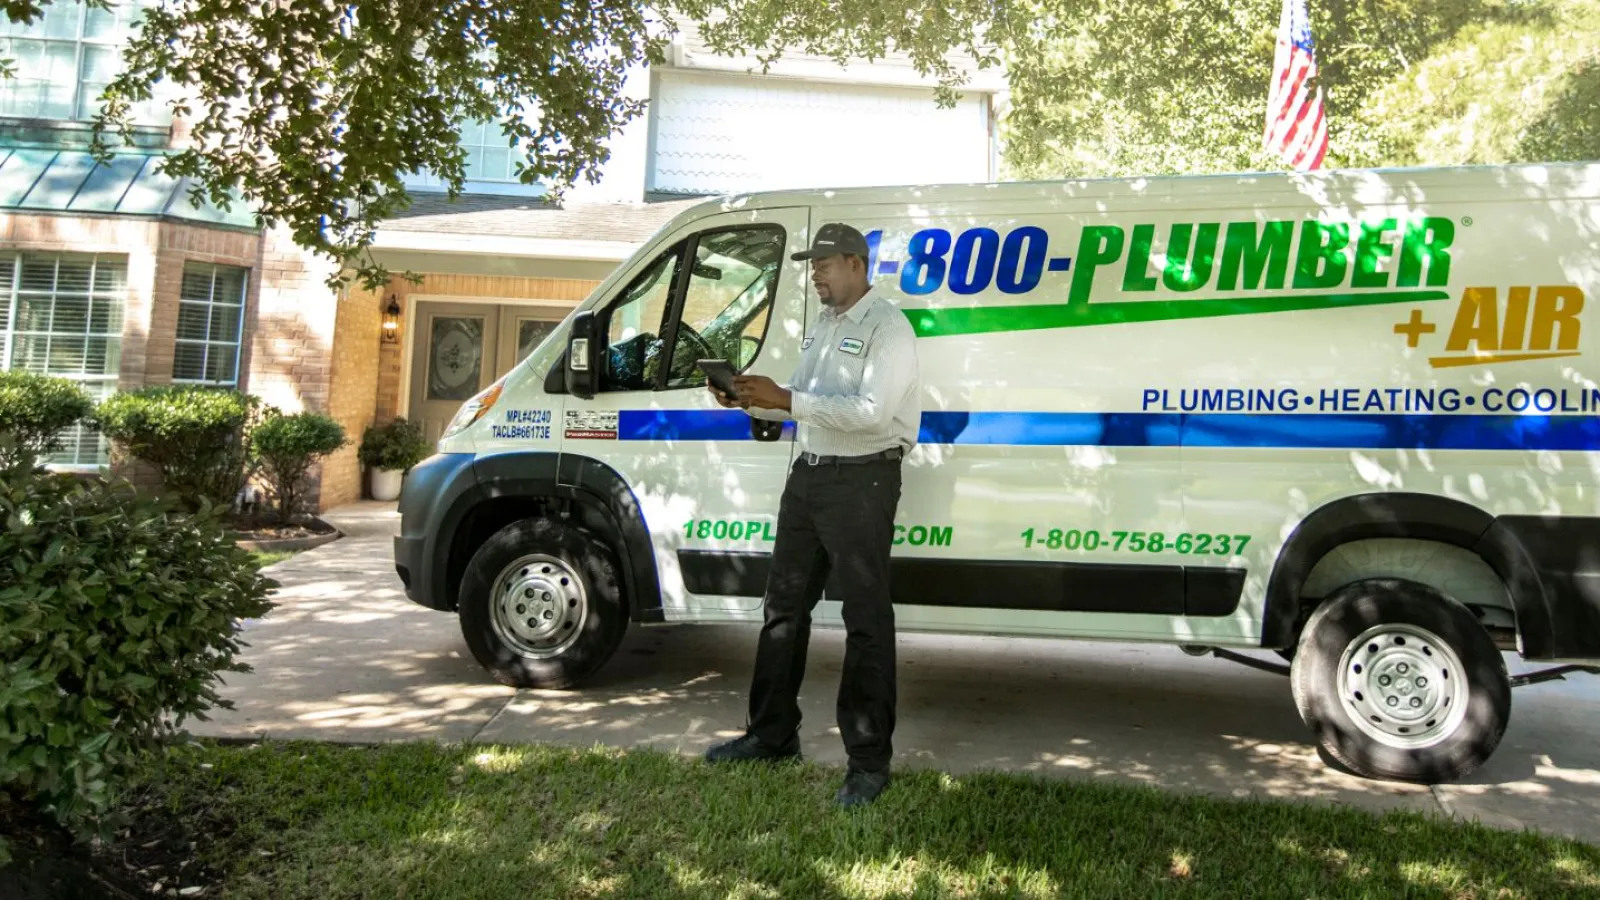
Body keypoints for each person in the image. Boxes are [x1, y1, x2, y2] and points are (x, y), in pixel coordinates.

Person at [702, 222, 922, 808]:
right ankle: (772, 735)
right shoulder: (824, 327)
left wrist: (788, 399)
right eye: (812, 265)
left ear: (855, 262)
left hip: (863, 479)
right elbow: (802, 404)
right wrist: (754, 400)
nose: (816, 273)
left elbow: (873, 414)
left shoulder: (889, 329)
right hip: (810, 476)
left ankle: (869, 762)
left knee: (865, 619)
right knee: (783, 608)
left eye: (824, 264)